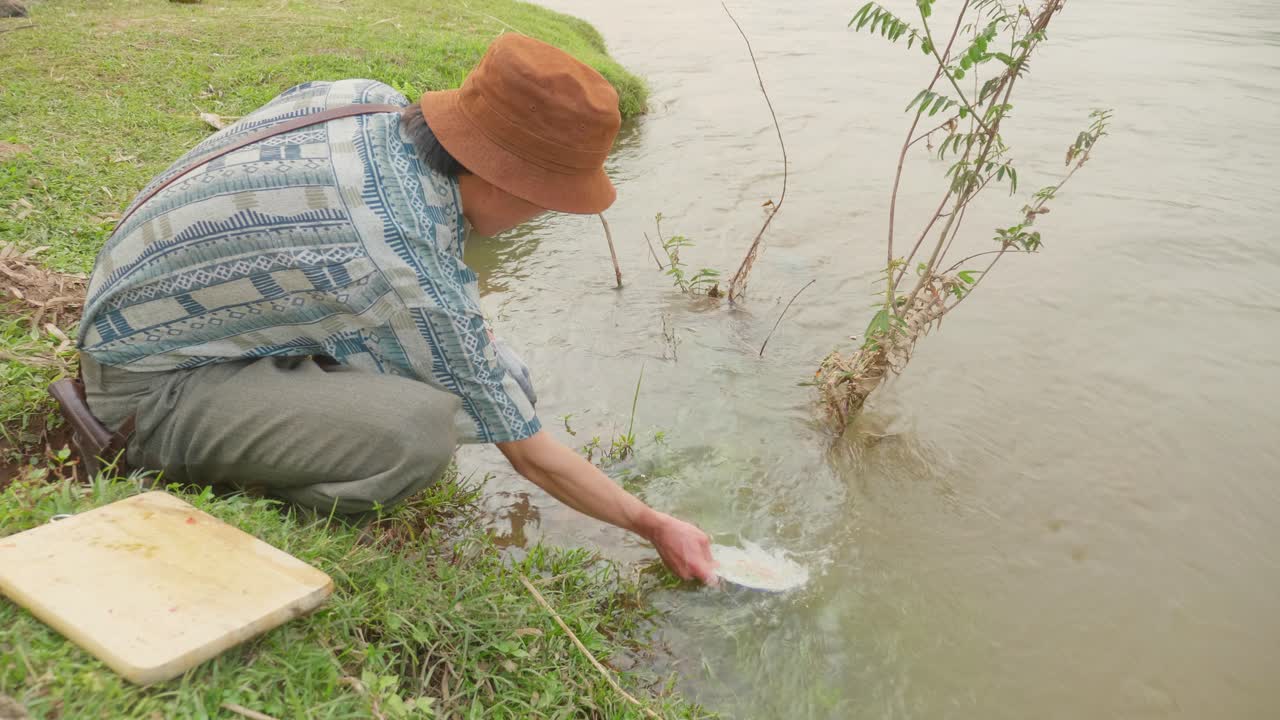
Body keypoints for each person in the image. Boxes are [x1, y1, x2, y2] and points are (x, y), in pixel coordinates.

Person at [75, 33, 717, 583]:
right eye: (546, 197)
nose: (543, 213)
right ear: (499, 176)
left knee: (500, 372)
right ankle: (282, 506)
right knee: (417, 435)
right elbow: (528, 453)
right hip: (144, 391)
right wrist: (651, 523)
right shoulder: (402, 261)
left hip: (142, 309)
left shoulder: (367, 101)